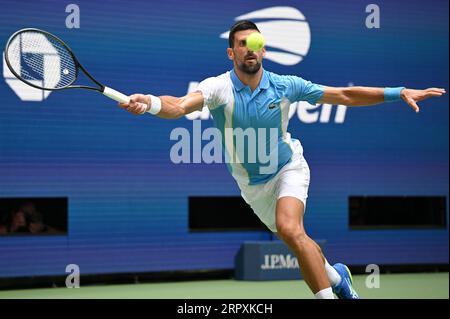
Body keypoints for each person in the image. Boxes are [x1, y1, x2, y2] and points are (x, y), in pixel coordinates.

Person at [118, 21, 445, 299]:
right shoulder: (218, 88)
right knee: (298, 240)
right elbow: (179, 105)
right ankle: (337, 278)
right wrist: (149, 102)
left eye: (255, 44)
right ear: (231, 53)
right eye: (241, 45)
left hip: (289, 167)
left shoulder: (286, 86)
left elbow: (344, 95)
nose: (249, 50)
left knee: (290, 228)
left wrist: (398, 91)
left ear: (264, 50)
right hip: (252, 187)